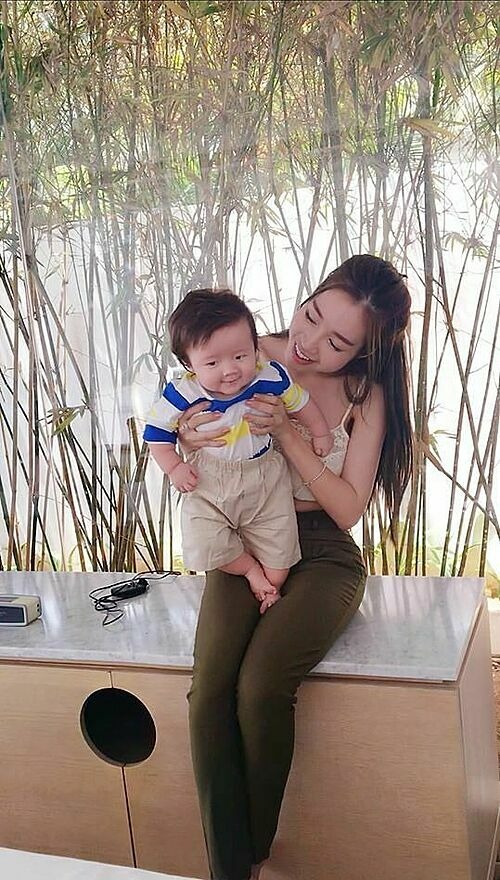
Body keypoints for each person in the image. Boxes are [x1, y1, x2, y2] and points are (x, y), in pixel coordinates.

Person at [158, 255, 413, 880]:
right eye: (312, 315)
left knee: (261, 686)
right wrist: (188, 440)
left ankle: (248, 860)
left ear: (365, 353)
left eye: (337, 343)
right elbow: (174, 429)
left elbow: (348, 509)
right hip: (246, 541)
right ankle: (231, 869)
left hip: (323, 551)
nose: (309, 342)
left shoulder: (365, 395)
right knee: (209, 692)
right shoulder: (242, 352)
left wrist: (291, 434)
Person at [144, 288, 333, 610]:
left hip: (265, 479)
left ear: (255, 347)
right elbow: (156, 433)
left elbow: (301, 403)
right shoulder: (183, 393)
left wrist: (320, 431)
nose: (230, 370)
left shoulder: (269, 377)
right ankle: (248, 568)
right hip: (209, 479)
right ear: (188, 363)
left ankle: (269, 585)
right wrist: (174, 467)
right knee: (204, 543)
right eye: (212, 362)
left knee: (280, 564)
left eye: (240, 356)